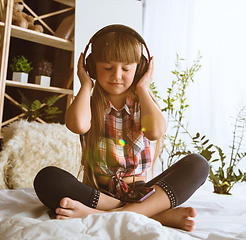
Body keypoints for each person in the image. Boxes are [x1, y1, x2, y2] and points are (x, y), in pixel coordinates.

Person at [34, 24, 209, 232]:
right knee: (47, 178)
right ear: (91, 66)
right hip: (99, 192)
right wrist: (86, 85)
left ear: (140, 68)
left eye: (126, 68)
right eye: (108, 68)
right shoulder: (89, 104)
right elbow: (78, 125)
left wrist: (143, 88)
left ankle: (105, 215)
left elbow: (155, 132)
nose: (117, 75)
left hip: (142, 191)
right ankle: (154, 215)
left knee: (198, 164)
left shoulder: (143, 103)